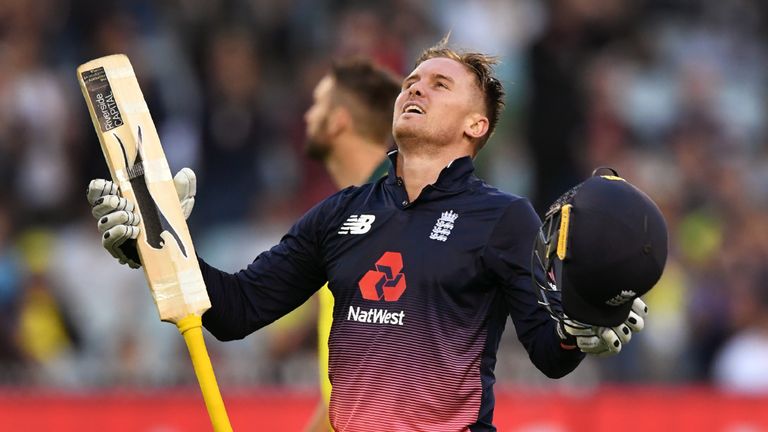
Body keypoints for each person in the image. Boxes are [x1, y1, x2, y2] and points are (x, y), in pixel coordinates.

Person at [87, 40, 648, 431]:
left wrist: (581, 327)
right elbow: (237, 310)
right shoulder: (338, 214)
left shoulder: (503, 217)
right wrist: (157, 243)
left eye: (439, 84)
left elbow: (549, 353)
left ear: (476, 126)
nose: (415, 87)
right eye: (412, 79)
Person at [302, 59, 401, 431]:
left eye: (318, 104)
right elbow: (340, 399)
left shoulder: (396, 214)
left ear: (339, 119)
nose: (308, 116)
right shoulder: (345, 220)